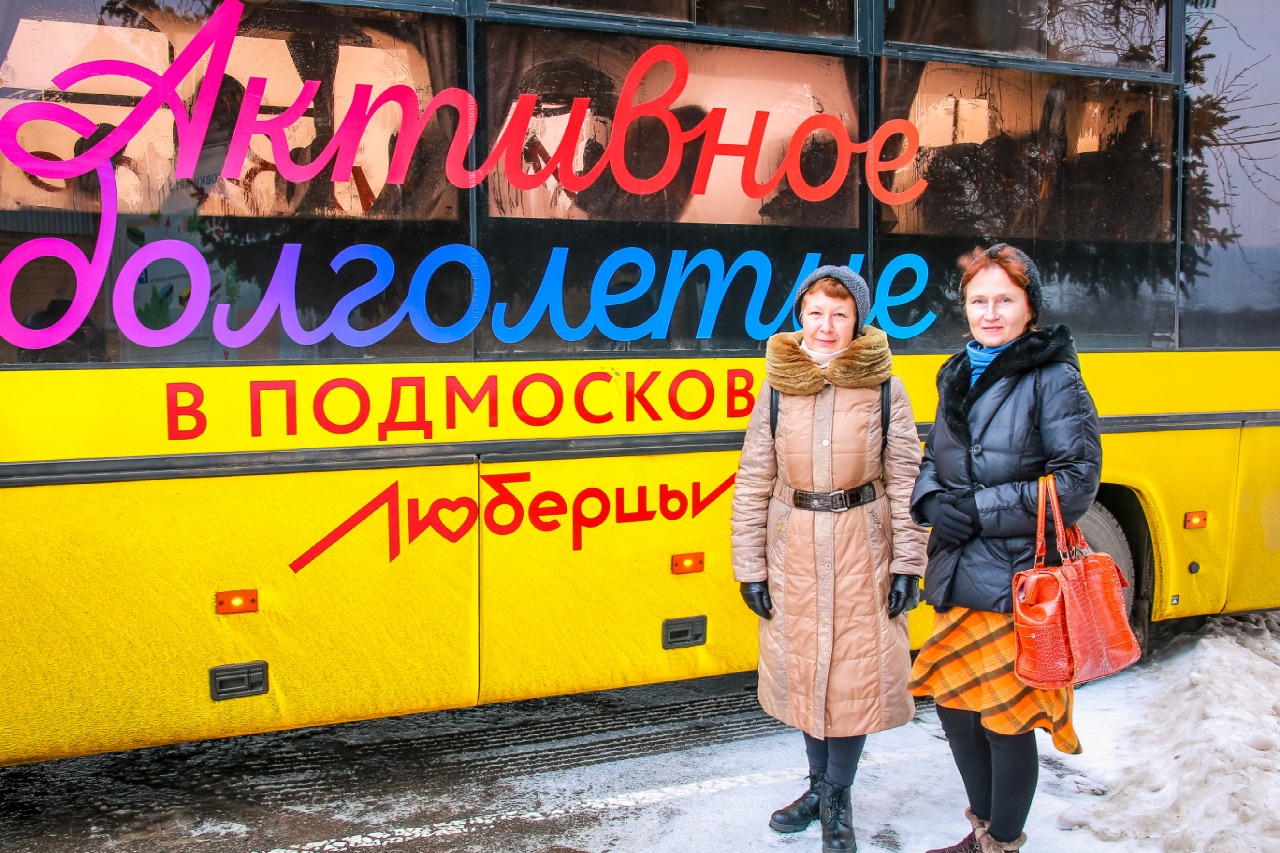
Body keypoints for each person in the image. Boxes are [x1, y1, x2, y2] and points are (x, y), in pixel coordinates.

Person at [909, 244, 1102, 853]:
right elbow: (934, 458)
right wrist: (930, 502)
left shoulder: (1054, 376)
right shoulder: (957, 373)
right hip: (958, 568)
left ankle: (1003, 842)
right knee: (955, 710)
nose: (989, 313)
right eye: (978, 301)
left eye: (1004, 300)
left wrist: (977, 510)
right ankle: (982, 831)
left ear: (1029, 308)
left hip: (1018, 579)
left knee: (1005, 720)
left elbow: (1077, 483)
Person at [731, 265, 928, 852]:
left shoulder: (886, 388)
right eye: (815, 312)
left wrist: (907, 564)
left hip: (862, 549)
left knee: (850, 678)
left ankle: (838, 797)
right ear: (800, 316)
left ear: (857, 321)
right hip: (793, 548)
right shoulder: (775, 388)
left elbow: (906, 481)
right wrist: (751, 568)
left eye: (839, 314)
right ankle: (818, 788)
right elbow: (753, 482)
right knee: (806, 673)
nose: (826, 325)